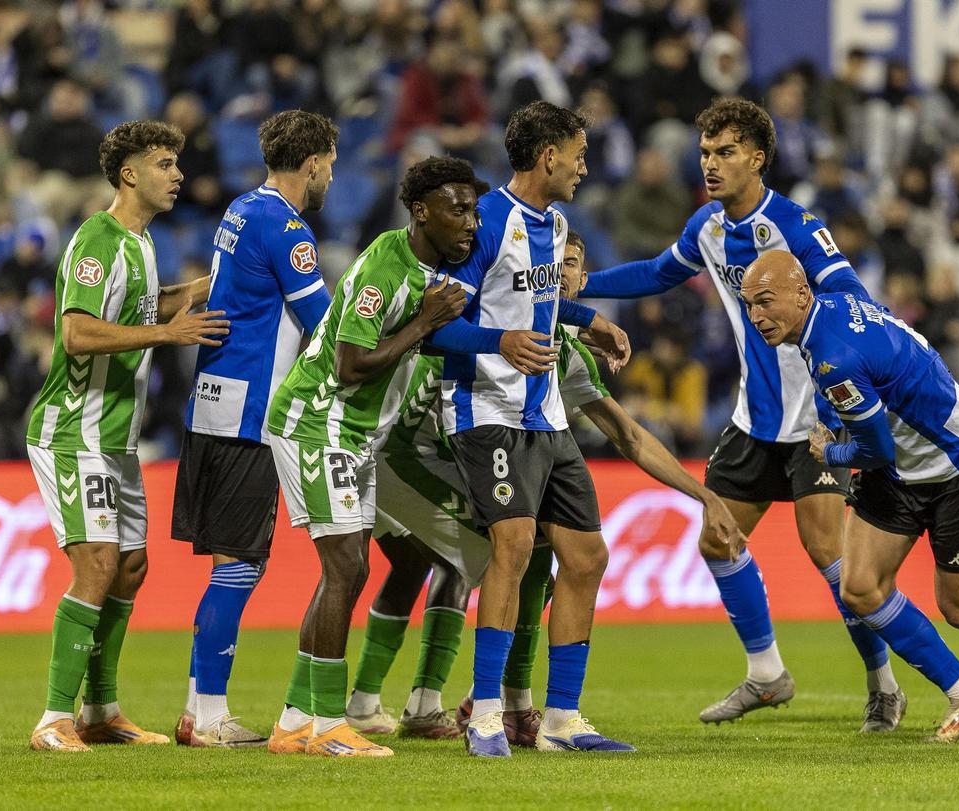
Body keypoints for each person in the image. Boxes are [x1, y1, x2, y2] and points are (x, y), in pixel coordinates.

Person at [579, 97, 905, 731]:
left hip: (815, 418)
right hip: (754, 421)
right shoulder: (706, 226)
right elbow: (655, 273)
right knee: (717, 536)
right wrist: (581, 284)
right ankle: (766, 675)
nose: (711, 163)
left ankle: (882, 682)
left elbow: (853, 301)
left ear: (757, 158)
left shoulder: (799, 228)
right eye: (705, 152)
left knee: (826, 552)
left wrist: (843, 400)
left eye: (725, 152)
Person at [347, 233, 744, 745]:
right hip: (398, 456)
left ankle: (457, 706)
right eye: (550, 265)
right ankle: (493, 709)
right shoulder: (495, 323)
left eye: (572, 265)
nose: (559, 273)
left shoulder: (567, 355)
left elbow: (630, 435)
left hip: (437, 456)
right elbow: (431, 338)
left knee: (514, 553)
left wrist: (705, 495)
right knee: (507, 550)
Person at [740, 249, 959, 743]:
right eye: (749, 305)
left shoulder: (834, 355)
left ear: (800, 292)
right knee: (858, 588)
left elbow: (873, 450)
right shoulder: (826, 317)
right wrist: (836, 425)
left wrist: (829, 454)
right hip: (904, 468)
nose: (757, 317)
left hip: (958, 463)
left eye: (765, 302)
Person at [427, 101, 633, 757]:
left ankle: (563, 719)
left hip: (545, 416)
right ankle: (486, 714)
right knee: (513, 546)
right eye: (578, 153)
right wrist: (500, 341)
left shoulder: (556, 223)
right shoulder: (482, 223)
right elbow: (434, 326)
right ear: (548, 155)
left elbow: (532, 296)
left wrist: (584, 318)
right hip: (485, 412)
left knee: (586, 555)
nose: (584, 165)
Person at [261, 156, 478, 758]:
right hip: (319, 422)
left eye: (474, 209)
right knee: (347, 569)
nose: (470, 221)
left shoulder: (419, 264)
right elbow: (350, 363)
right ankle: (330, 725)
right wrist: (425, 321)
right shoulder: (388, 269)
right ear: (420, 211)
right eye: (457, 209)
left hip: (354, 434)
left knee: (369, 565)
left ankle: (295, 720)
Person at [25, 121, 229, 752]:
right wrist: (169, 335)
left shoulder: (141, 244)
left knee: (131, 567)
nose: (179, 175)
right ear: (130, 173)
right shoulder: (98, 238)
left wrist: (206, 288)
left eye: (179, 164)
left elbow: (148, 305)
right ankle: (53, 720)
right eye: (165, 163)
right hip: (73, 431)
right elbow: (79, 333)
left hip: (117, 438)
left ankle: (99, 710)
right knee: (96, 563)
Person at [172, 110, 337, 748]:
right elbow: (323, 320)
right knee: (239, 565)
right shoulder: (287, 227)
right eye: (331, 163)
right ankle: (207, 717)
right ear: (315, 162)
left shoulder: (242, 207)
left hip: (214, 399)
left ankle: (198, 710)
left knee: (228, 564)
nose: (332, 176)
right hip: (250, 412)